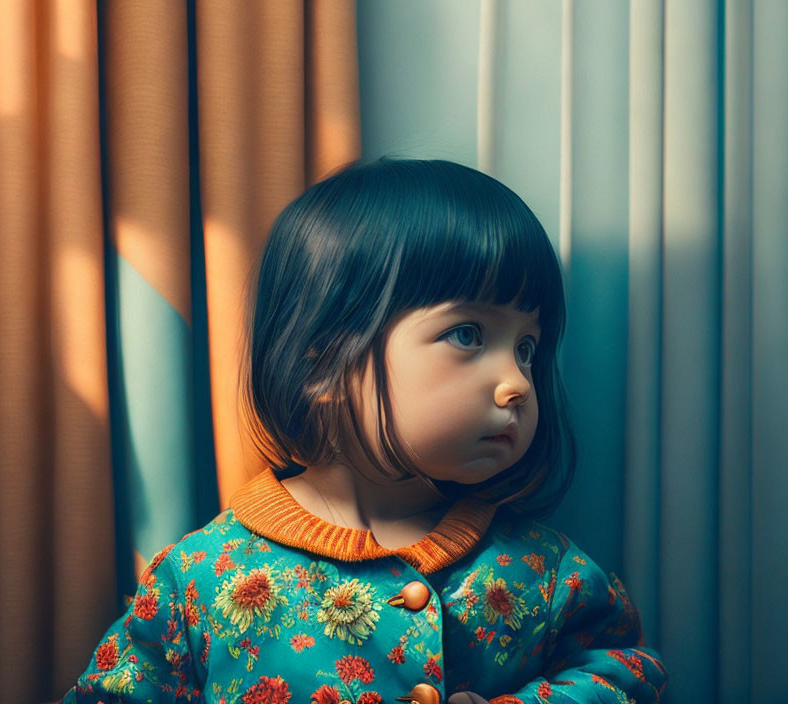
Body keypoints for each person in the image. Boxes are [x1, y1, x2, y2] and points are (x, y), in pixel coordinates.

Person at [61, 159, 667, 704]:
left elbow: (627, 673)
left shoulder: (545, 569)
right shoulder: (197, 579)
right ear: (322, 365)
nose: (517, 383)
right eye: (468, 334)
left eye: (528, 348)